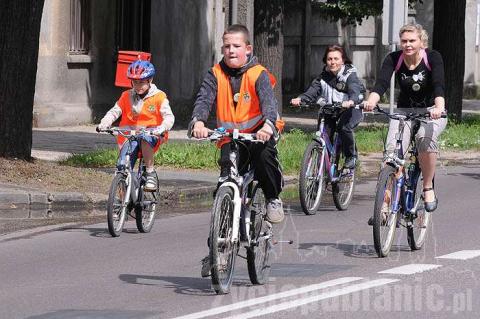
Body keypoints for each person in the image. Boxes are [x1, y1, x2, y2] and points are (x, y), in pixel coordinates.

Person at [190, 24, 284, 277]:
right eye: (227, 46)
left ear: (248, 48)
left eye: (236, 46)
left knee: (265, 161)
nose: (231, 51)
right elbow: (204, 99)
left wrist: (267, 125)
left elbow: (269, 103)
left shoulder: (258, 73)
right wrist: (198, 121)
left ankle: (273, 197)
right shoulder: (215, 74)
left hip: (257, 135)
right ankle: (216, 251)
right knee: (225, 186)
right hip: (230, 139)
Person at [363, 23, 447, 216]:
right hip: (404, 111)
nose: (407, 44)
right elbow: (382, 83)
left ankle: (427, 187)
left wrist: (439, 108)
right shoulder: (394, 58)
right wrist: (371, 101)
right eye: (404, 41)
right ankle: (383, 205)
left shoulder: (432, 57)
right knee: (391, 155)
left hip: (431, 110)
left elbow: (438, 85)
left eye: (412, 40)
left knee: (426, 142)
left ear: (421, 41)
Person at [97, 60, 175, 191]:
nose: (138, 86)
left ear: (150, 80)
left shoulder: (159, 96)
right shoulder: (126, 95)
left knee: (144, 139)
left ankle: (150, 173)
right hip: (130, 136)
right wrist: (105, 122)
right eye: (135, 82)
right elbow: (115, 111)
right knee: (122, 168)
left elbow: (169, 116)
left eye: (141, 82)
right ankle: (121, 207)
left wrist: (162, 127)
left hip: (152, 135)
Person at [291, 45, 366, 169]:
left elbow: (354, 88)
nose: (333, 62)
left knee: (344, 127)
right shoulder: (323, 77)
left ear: (343, 60)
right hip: (331, 109)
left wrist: (351, 101)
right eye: (329, 59)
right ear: (326, 61)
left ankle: (350, 156)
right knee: (324, 135)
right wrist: (300, 99)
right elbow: (312, 91)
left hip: (351, 109)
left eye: (336, 59)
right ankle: (323, 174)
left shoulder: (349, 74)